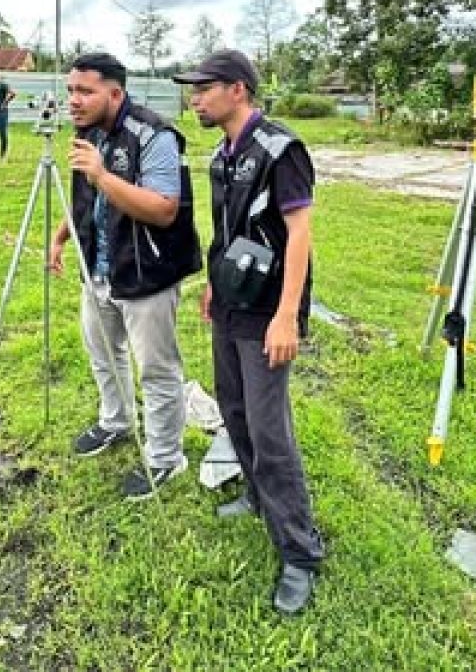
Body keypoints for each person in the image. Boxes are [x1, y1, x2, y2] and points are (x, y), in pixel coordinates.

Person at [173, 49, 324, 614]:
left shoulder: (281, 150)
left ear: (238, 90)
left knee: (269, 431)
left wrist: (287, 316)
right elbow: (225, 231)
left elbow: (300, 236)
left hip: (268, 312)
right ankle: (259, 501)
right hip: (231, 304)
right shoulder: (221, 155)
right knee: (233, 412)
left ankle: (300, 553)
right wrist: (214, 284)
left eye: (203, 88)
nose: (195, 97)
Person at [49, 52, 202, 499]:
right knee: (103, 353)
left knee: (156, 369)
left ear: (115, 93)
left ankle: (165, 458)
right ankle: (116, 422)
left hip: (146, 270)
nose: (73, 100)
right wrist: (62, 236)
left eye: (84, 91)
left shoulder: (154, 135)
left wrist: (101, 174)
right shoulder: (87, 130)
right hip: (98, 265)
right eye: (70, 90)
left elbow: (163, 208)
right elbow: (87, 197)